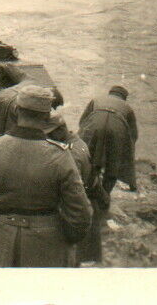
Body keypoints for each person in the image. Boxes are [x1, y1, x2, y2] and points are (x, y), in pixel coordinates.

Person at [0, 85, 93, 267]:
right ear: (46, 117)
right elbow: (80, 213)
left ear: (16, 111)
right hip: (49, 243)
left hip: (4, 237)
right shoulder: (60, 156)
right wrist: (65, 238)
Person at [45, 113, 110, 265]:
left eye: (49, 134)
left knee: (73, 258)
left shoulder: (70, 153)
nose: (46, 138)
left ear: (60, 130)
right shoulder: (77, 141)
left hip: (78, 207)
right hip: (88, 199)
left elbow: (71, 191)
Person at [78, 85, 138, 195]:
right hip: (117, 128)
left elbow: (82, 121)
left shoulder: (96, 100)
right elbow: (133, 135)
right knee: (112, 166)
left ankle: (86, 190)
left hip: (94, 124)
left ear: (110, 93)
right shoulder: (128, 108)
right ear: (124, 97)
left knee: (88, 159)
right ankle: (104, 196)